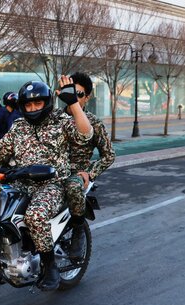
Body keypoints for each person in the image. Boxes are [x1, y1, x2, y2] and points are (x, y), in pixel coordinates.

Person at [0, 77, 92, 291]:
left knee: (35, 215)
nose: (33, 108)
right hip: (21, 182)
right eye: (28, 104)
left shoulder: (60, 121)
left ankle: (50, 265)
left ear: (46, 103)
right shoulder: (19, 125)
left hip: (53, 185)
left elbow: (85, 134)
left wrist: (73, 103)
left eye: (38, 103)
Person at [60, 72, 115, 259]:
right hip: (52, 172)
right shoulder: (53, 118)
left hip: (76, 176)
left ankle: (77, 233)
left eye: (79, 94)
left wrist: (89, 174)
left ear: (87, 97)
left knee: (74, 187)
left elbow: (109, 155)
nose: (74, 98)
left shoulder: (94, 123)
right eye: (70, 93)